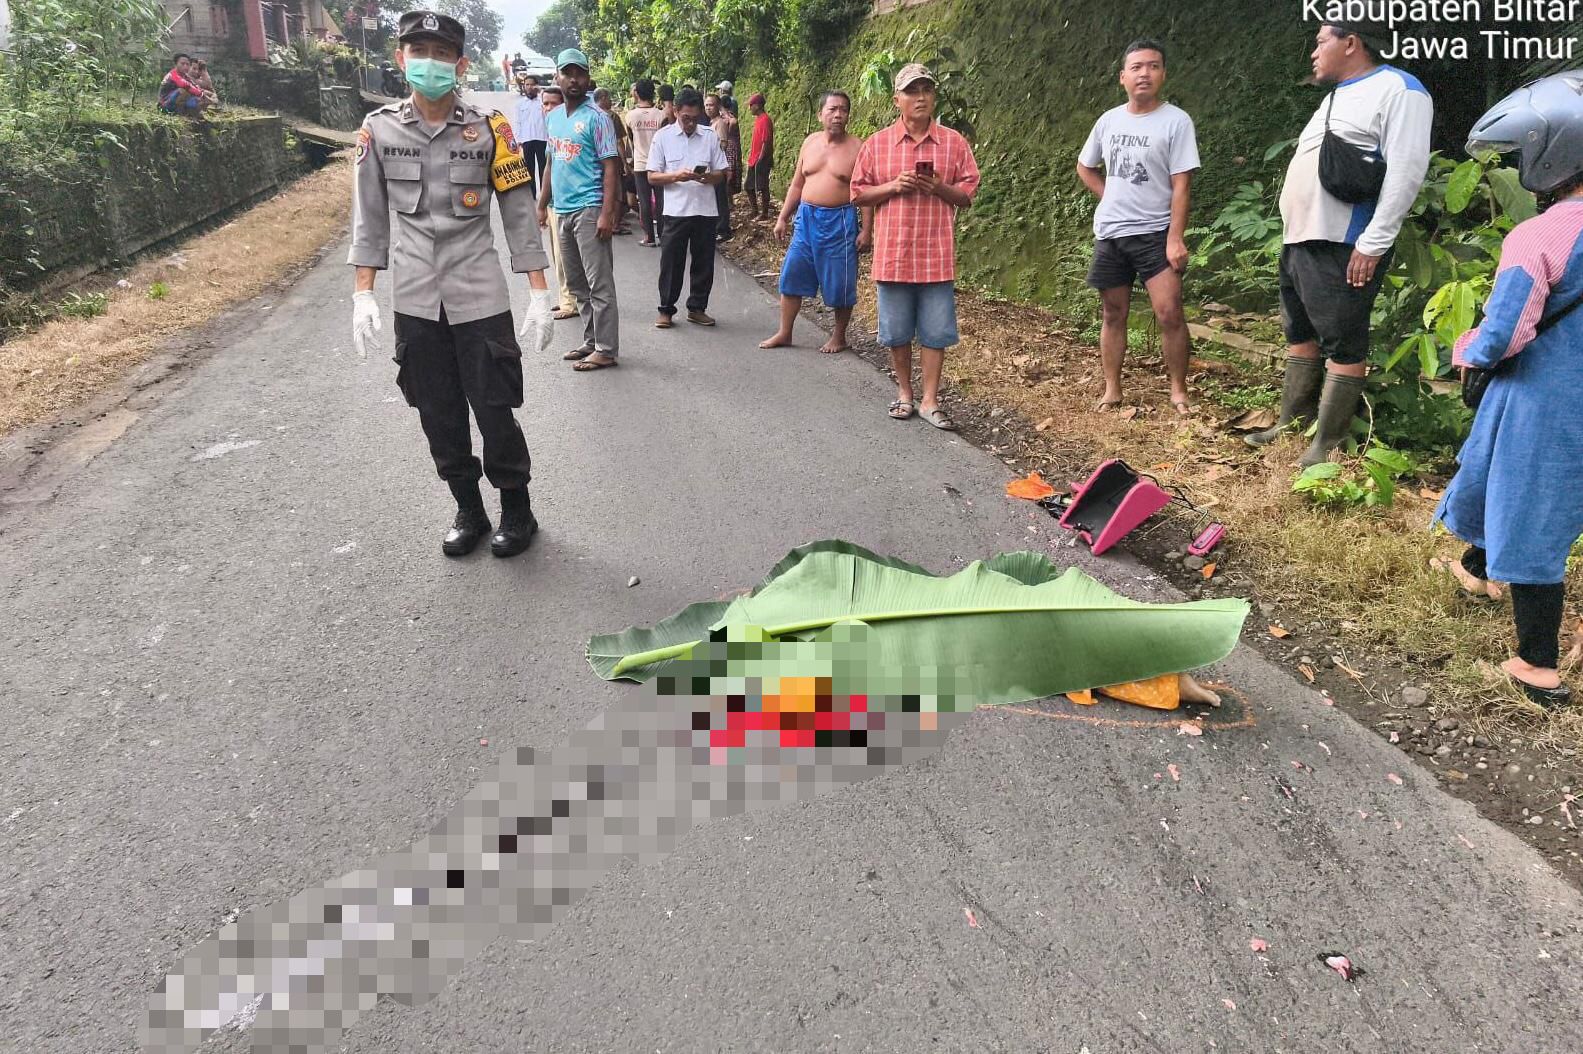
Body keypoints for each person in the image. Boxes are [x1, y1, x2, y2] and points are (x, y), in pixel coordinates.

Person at [348, 10, 555, 559]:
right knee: (438, 414)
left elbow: (518, 214)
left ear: (460, 64)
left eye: (441, 54)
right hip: (416, 300)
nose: (430, 63)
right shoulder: (379, 129)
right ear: (401, 59)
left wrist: (539, 293)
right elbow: (370, 218)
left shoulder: (490, 128)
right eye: (419, 52)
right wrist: (363, 293)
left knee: (494, 409)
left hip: (479, 296)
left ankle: (517, 508)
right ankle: (469, 508)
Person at [1433, 72, 1583, 710]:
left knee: (1530, 510)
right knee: (1499, 478)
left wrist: (1469, 352)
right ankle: (1476, 567)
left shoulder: (1540, 234)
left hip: (1547, 398)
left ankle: (1536, 665)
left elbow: (1507, 329)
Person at [1246, 19, 1432, 466]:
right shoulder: (1336, 96)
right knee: (1300, 333)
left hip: (1344, 241)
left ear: (1351, 43)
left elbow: (1407, 171)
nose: (1313, 52)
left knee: (1343, 341)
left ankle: (1325, 445)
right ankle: (1292, 424)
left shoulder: (1400, 90)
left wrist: (1374, 242)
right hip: (1300, 237)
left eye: (1320, 42)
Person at [851, 64, 980, 430]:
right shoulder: (877, 144)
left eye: (926, 89)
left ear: (934, 96)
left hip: (936, 253)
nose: (920, 97)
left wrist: (939, 187)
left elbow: (967, 194)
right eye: (911, 91)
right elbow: (858, 193)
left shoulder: (954, 142)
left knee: (936, 332)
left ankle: (930, 400)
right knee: (897, 331)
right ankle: (905, 393)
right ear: (897, 100)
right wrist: (894, 186)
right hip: (893, 253)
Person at [1076, 38, 1200, 415]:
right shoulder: (1108, 121)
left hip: (1155, 233)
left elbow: (1182, 184)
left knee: (1169, 312)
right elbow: (1085, 166)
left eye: (1153, 66)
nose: (1144, 73)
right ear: (1122, 77)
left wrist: (1175, 238)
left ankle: (1178, 391)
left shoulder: (1176, 121)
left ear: (1163, 74)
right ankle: (1112, 389)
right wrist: (1110, 196)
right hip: (1112, 234)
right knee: (1113, 314)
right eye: (1136, 67)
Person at [759, 90, 872, 355]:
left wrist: (867, 230)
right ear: (820, 114)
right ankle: (785, 332)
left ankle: (839, 336)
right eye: (832, 109)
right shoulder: (810, 142)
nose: (838, 114)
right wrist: (783, 217)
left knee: (840, 282)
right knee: (792, 274)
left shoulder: (858, 148)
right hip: (806, 219)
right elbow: (798, 184)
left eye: (843, 110)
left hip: (839, 221)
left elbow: (865, 193)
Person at [538, 47, 622, 372]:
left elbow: (611, 167)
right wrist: (541, 204)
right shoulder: (554, 118)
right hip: (562, 209)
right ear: (557, 77)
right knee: (576, 283)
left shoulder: (597, 118)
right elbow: (550, 163)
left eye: (580, 73)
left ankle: (606, 349)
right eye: (568, 73)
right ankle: (591, 340)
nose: (574, 79)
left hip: (589, 208)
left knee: (599, 283)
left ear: (588, 78)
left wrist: (607, 213)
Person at [646, 87, 730, 328]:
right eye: (686, 118)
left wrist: (708, 177)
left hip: (705, 210)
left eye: (695, 118)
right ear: (675, 111)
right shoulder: (663, 137)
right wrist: (676, 176)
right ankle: (666, 309)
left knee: (703, 262)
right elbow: (652, 176)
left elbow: (722, 172)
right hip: (676, 211)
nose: (691, 123)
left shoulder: (709, 136)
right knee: (671, 263)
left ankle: (697, 308)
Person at [536, 83, 581, 321]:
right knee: (558, 256)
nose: (549, 108)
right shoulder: (553, 128)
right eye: (545, 103)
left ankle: (572, 301)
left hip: (573, 203)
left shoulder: (572, 127)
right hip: (555, 203)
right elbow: (548, 169)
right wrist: (542, 205)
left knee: (567, 258)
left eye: (554, 103)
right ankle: (567, 298)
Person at [627, 79, 667, 246]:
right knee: (661, 201)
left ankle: (648, 237)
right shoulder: (661, 115)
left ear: (636, 93)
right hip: (659, 164)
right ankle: (663, 235)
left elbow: (631, 139)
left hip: (640, 164)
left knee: (643, 201)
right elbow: (665, 139)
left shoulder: (630, 116)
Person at [594, 87, 634, 235]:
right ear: (603, 98)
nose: (611, 101)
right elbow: (618, 142)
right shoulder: (611, 116)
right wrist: (624, 163)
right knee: (617, 192)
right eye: (609, 98)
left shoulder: (588, 115)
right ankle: (615, 224)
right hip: (612, 159)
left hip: (595, 161)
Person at [704, 93, 739, 240]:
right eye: (706, 105)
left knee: (720, 199)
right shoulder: (711, 123)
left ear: (718, 106)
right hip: (712, 167)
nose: (708, 108)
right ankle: (717, 227)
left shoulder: (720, 123)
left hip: (718, 167)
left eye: (711, 105)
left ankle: (723, 230)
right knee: (715, 198)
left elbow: (723, 144)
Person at [513, 73, 548, 188]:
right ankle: (531, 194)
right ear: (523, 86)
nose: (529, 87)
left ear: (536, 86)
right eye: (527, 85)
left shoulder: (543, 102)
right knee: (529, 169)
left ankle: (545, 193)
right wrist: (518, 140)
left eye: (532, 85)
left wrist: (541, 92)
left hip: (542, 138)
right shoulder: (520, 104)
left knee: (544, 167)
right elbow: (517, 122)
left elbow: (549, 116)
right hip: (527, 139)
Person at [744, 92, 775, 220]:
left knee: (762, 186)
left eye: (751, 105)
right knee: (748, 186)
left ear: (757, 105)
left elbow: (766, 141)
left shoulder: (765, 120)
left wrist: (760, 159)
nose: (750, 108)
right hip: (755, 158)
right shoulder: (759, 119)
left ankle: (764, 213)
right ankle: (755, 210)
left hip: (761, 159)